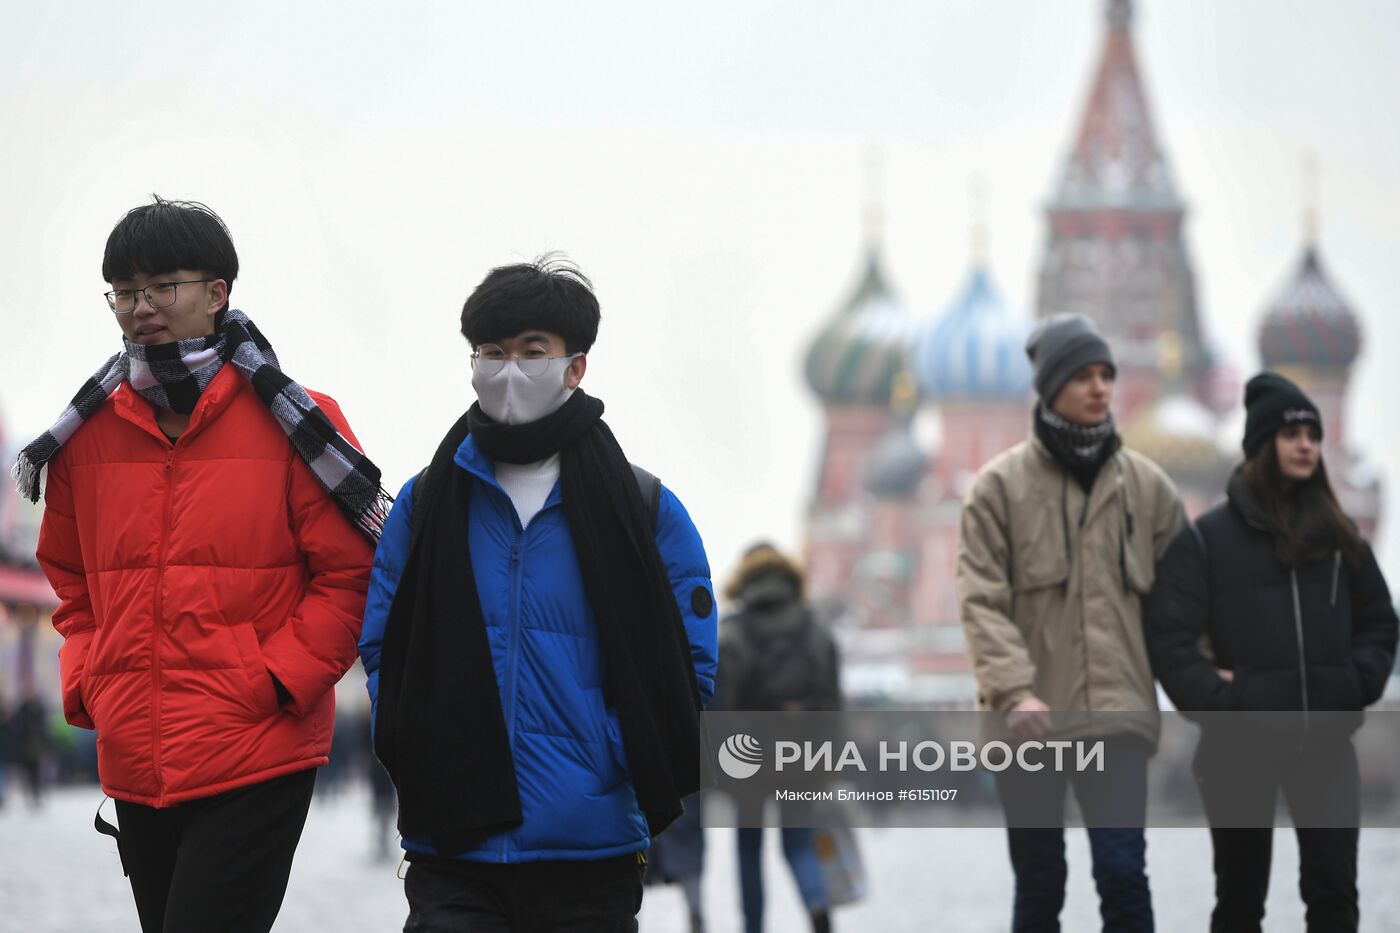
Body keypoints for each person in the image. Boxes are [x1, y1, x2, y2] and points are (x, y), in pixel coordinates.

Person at [24, 196, 383, 933]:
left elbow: (352, 575)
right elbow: (71, 581)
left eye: (163, 286)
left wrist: (275, 677)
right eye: (125, 291)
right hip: (136, 749)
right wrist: (91, 678)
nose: (141, 306)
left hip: (256, 745)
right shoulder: (84, 437)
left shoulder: (296, 422)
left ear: (217, 292)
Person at [359, 255, 718, 932]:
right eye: (492, 352)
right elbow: (382, 639)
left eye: (532, 352)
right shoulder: (428, 500)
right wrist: (413, 732)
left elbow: (690, 661)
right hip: (451, 843)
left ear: (574, 366)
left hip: (592, 843)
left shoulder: (644, 508)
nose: (510, 370)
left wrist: (608, 750)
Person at [956, 313, 1185, 933]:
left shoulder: (1150, 488)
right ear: (1051, 386)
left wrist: (1212, 676)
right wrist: (1013, 691)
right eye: (1083, 375)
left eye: (1107, 374)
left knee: (1122, 873)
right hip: (1028, 724)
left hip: (1116, 719)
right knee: (1039, 883)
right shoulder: (997, 489)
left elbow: (1186, 599)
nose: (1100, 388)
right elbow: (981, 598)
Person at [1145, 372, 1397, 933]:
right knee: (1240, 905)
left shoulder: (1340, 541)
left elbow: (1380, 625)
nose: (1306, 444)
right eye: (1292, 434)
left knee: (1335, 903)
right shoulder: (1207, 541)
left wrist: (1349, 684)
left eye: (1313, 434)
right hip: (1238, 750)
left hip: (1326, 747)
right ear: (1263, 446)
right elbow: (1168, 640)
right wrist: (1227, 699)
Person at [716, 542, 840, 933]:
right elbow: (832, 700)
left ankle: (753, 927)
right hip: (802, 754)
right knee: (800, 843)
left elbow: (720, 703)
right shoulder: (814, 625)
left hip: (748, 757)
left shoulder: (734, 630)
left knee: (748, 850)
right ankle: (817, 905)